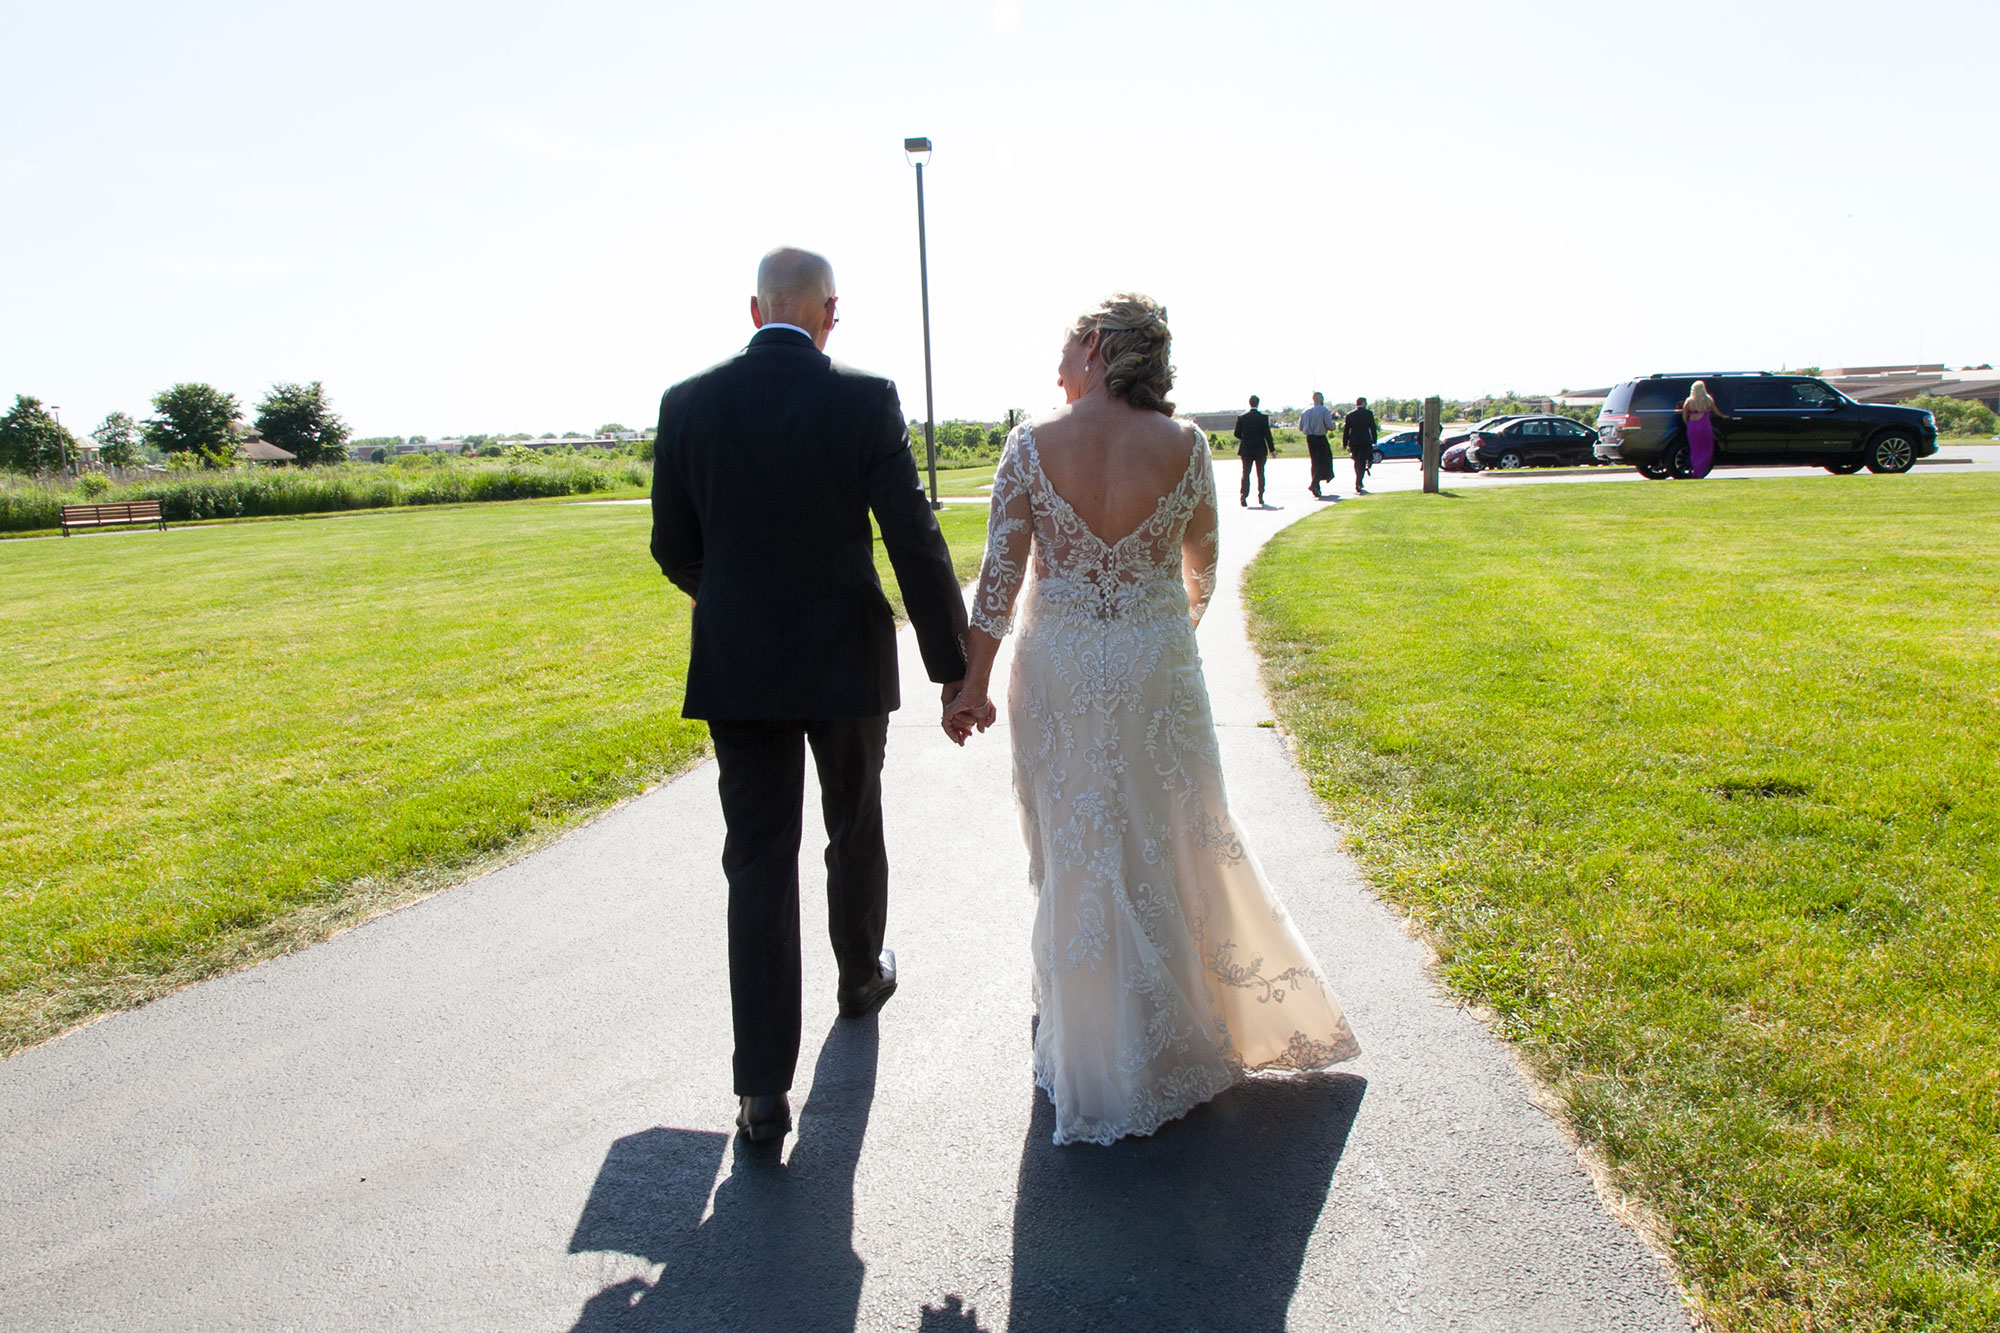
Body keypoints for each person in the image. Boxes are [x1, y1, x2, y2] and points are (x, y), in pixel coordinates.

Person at [943, 294, 1360, 1147]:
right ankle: (1167, 1034)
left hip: (1055, 669)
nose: (1056, 363)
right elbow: (1200, 564)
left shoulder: (1030, 445)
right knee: (1168, 835)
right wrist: (1158, 634)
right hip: (1153, 669)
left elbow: (996, 579)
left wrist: (970, 685)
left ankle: (1095, 1036)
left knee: (1074, 843)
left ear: (1094, 346)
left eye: (1065, 345)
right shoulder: (1187, 446)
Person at [650, 246, 970, 1145]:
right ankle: (860, 974)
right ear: (832, 311)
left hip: (738, 664)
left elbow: (673, 547)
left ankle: (761, 1088)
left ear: (756, 310)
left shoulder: (687, 403)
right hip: (844, 657)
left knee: (755, 857)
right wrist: (952, 662)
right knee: (853, 819)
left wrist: (737, 603)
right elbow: (912, 532)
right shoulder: (864, 398)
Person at [1232, 394, 1276, 507]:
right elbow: (1268, 435)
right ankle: (1260, 495)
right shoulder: (1263, 418)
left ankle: (1243, 496)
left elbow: (1236, 433)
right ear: (1258, 403)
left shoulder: (1242, 417)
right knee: (1260, 473)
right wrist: (1272, 450)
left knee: (1245, 473)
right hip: (1260, 448)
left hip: (1246, 448)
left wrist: (1245, 437)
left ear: (1249, 403)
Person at [1678, 380, 1728, 479]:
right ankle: (1701, 471)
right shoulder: (1708, 400)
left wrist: (1688, 424)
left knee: (1695, 449)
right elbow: (1717, 412)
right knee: (1706, 449)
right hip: (1704, 426)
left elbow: (1684, 416)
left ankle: (1695, 471)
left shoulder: (1689, 401)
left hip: (1693, 426)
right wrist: (1723, 416)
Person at [1298, 391, 1339, 500]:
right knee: (1324, 460)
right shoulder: (1324, 410)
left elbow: (1300, 427)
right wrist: (1333, 424)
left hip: (1309, 438)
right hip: (1320, 437)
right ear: (1320, 399)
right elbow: (1330, 426)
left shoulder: (1305, 411)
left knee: (1314, 462)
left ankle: (1316, 487)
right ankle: (1315, 483)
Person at [1342, 395, 1379, 495]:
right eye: (1365, 403)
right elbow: (1372, 428)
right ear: (1362, 403)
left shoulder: (1350, 415)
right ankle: (1359, 481)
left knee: (1357, 461)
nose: (1366, 405)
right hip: (1365, 441)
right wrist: (1374, 440)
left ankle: (1358, 479)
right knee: (1362, 462)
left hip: (1354, 442)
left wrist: (1344, 443)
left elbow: (1346, 431)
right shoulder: (1368, 414)